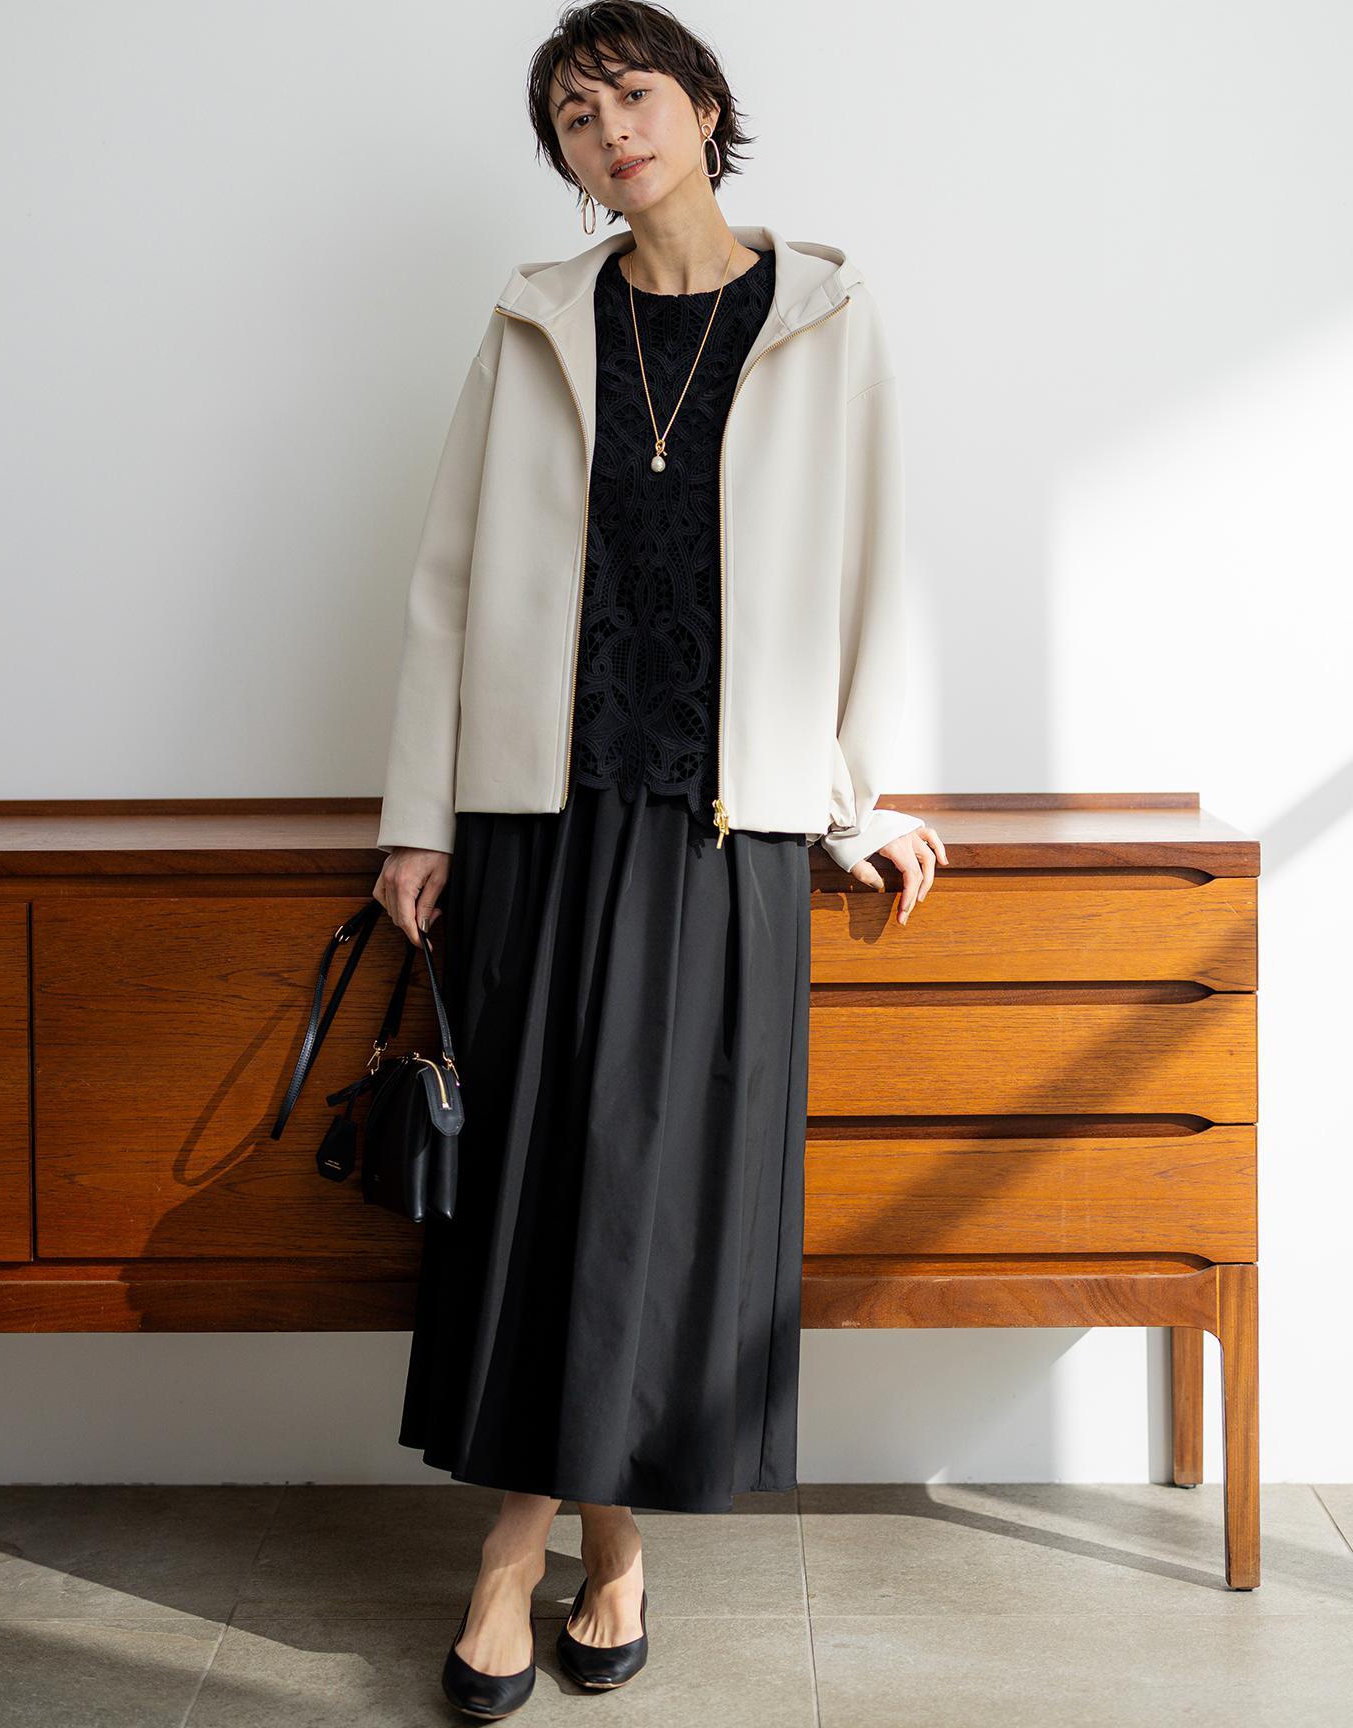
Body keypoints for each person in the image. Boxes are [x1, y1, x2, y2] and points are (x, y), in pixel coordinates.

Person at [371, 2, 947, 1715]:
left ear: (702, 107)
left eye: (632, 92)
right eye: (573, 114)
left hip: (725, 822)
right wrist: (418, 813)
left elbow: (877, 559)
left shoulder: (825, 312)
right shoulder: (535, 318)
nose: (608, 128)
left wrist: (865, 798)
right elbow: (448, 575)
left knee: (656, 1200)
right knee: (537, 1189)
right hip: (537, 812)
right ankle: (582, 1552)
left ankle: (529, 1547)